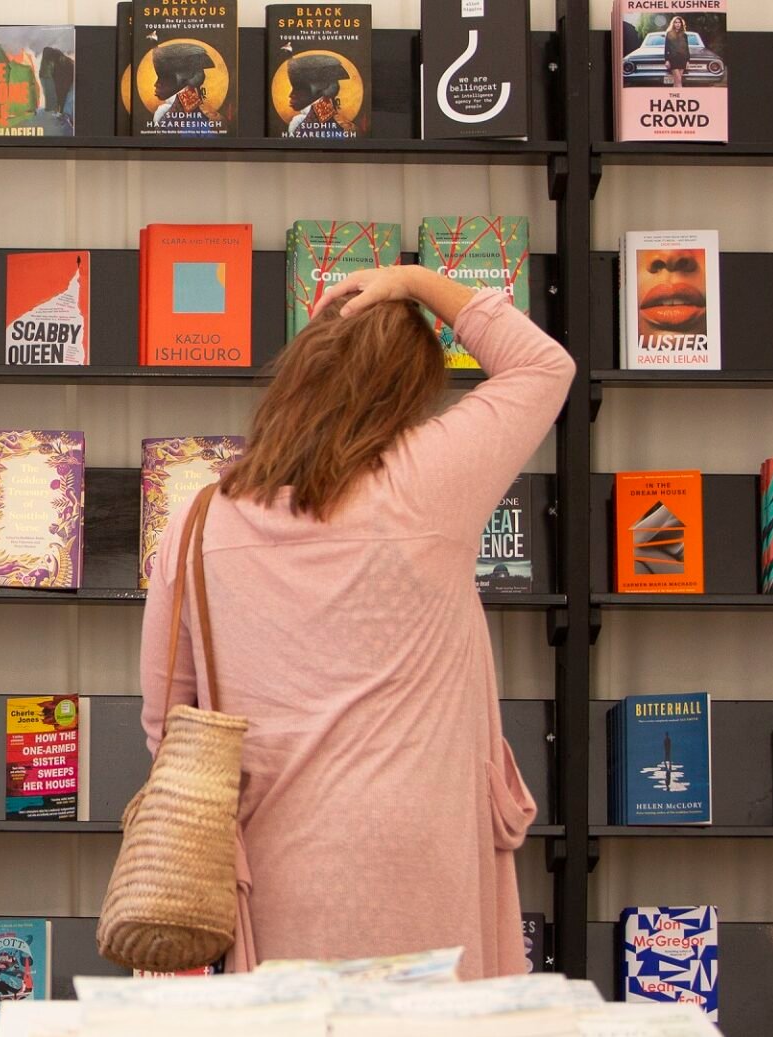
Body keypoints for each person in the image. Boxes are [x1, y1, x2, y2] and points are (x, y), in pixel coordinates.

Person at [140, 265, 573, 979]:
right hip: (425, 855)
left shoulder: (198, 520)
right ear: (407, 393)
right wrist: (418, 281)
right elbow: (542, 365)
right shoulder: (427, 480)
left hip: (279, 865)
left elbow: (167, 723)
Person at [664, 16, 690, 89]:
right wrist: (666, 60)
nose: (677, 24)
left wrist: (688, 61)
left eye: (679, 22)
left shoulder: (684, 35)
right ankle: (681, 95)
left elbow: (687, 48)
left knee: (676, 81)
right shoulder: (669, 34)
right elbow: (666, 48)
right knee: (679, 80)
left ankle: (674, 95)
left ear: (681, 24)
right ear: (673, 24)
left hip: (682, 59)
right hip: (673, 59)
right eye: (676, 22)